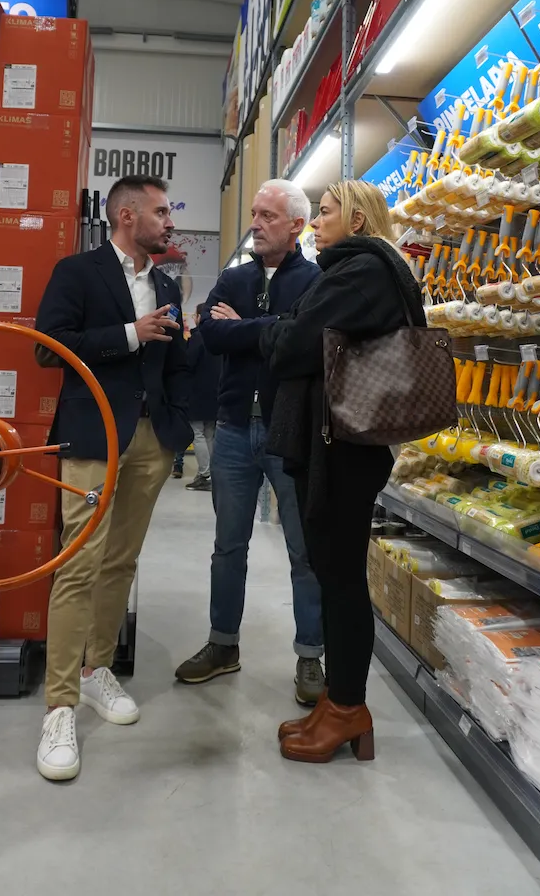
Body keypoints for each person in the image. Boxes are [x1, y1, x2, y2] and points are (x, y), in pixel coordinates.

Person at [35, 174, 193, 782]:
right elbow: (48, 347)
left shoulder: (166, 283)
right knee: (79, 564)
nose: (170, 222)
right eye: (161, 212)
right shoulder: (78, 272)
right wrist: (131, 334)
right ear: (127, 216)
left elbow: (171, 363)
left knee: (121, 562)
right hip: (93, 437)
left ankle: (95, 669)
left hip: (151, 441)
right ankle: (58, 707)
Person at [261, 179, 425, 764]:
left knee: (341, 579)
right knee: (335, 576)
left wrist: (274, 329)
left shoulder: (363, 273)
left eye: (326, 212)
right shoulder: (363, 270)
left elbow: (293, 346)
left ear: (357, 220)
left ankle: (350, 708)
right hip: (342, 444)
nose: (316, 221)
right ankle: (337, 701)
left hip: (342, 449)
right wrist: (287, 328)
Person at [176, 179, 325, 706]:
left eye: (267, 216)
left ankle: (310, 656)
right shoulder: (234, 278)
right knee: (227, 547)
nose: (255, 224)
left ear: (297, 226)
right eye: (255, 213)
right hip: (235, 429)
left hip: (291, 432)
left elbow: (306, 341)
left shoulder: (316, 280)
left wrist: (250, 327)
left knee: (304, 552)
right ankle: (223, 645)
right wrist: (273, 328)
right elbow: (212, 334)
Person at [185, 303, 221, 491]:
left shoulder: (197, 338)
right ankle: (213, 474)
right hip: (215, 394)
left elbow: (188, 363)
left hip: (197, 394)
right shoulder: (219, 338)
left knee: (196, 433)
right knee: (209, 434)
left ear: (200, 316)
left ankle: (204, 474)